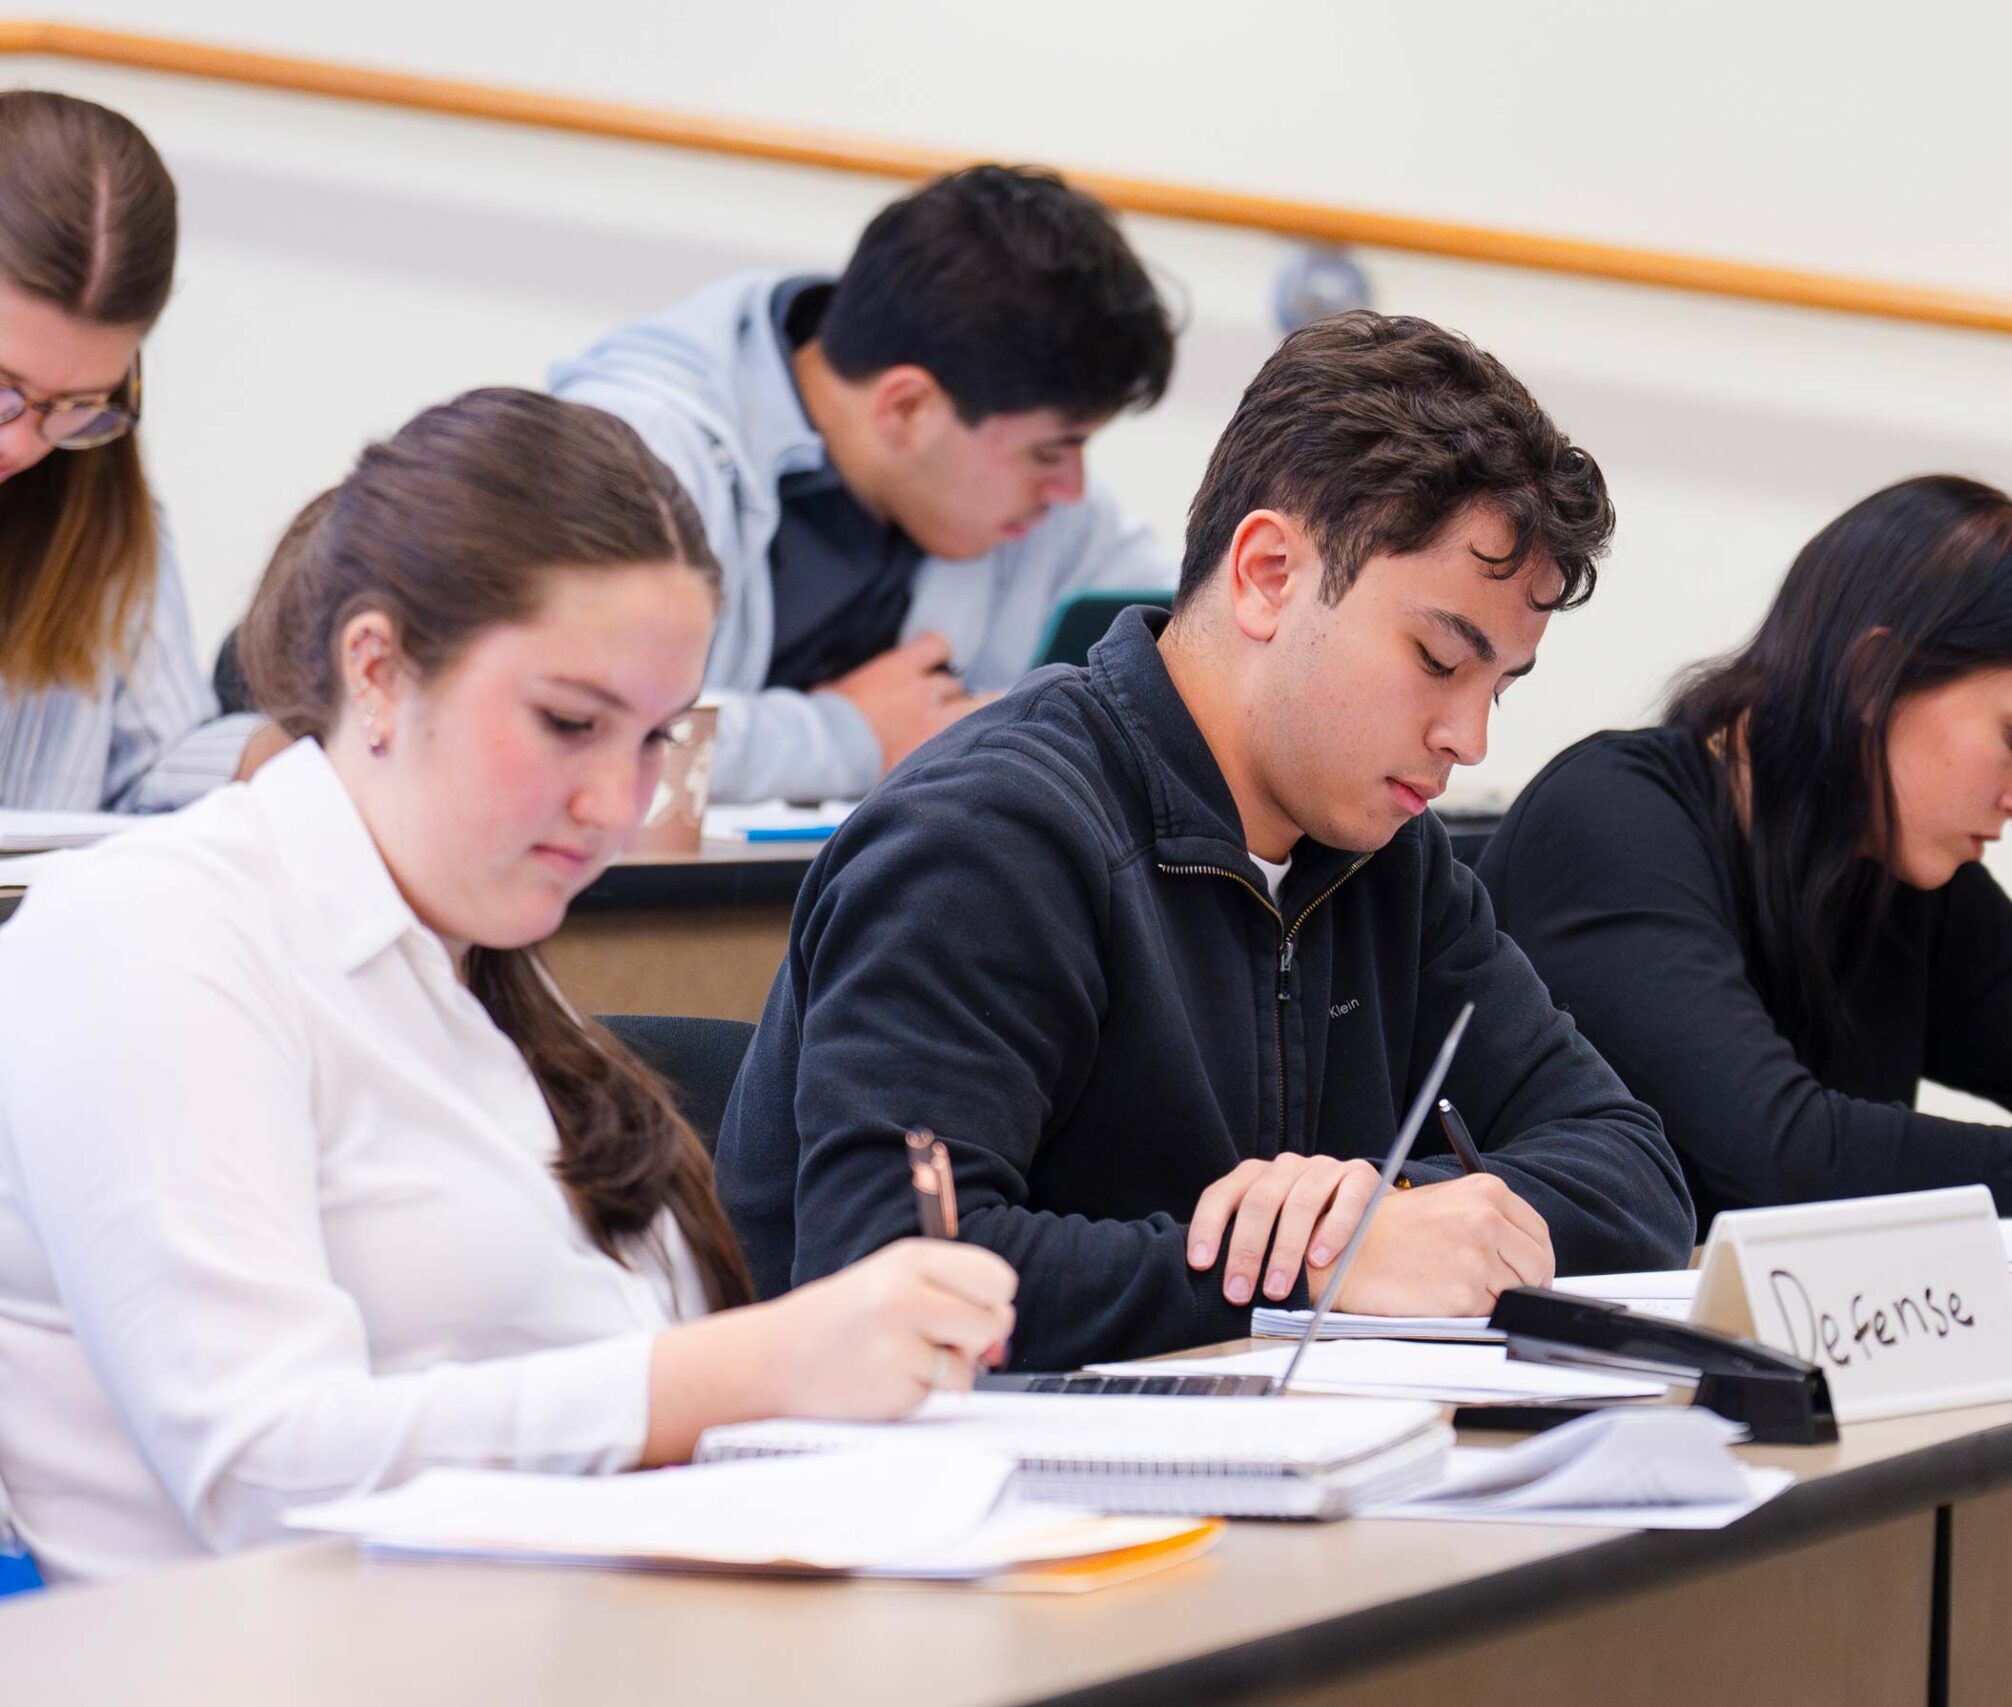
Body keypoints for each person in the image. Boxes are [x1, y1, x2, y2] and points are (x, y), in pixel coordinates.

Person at [0, 390, 1014, 1584]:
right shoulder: (155, 932)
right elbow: (260, 1469)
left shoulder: (475, 977)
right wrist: (747, 1370)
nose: (617, 806)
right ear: (374, 669)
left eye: (655, 742)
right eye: (568, 723)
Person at [719, 312, 1696, 1371]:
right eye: (1434, 658)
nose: (1467, 737)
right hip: (954, 1507)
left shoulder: (1387, 856)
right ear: (1269, 572)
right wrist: (1313, 1270)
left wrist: (1390, 1211)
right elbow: (883, 1267)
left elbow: (1636, 1178)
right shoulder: (988, 836)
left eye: (1498, 685)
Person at [1477, 475, 2012, 1220]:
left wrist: (1881, 1164)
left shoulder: (1899, 876)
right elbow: (1775, 1161)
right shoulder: (1611, 818)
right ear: (1875, 676)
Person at [548, 163, 1178, 804]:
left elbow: (1197, 641)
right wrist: (854, 737)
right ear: (907, 409)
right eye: (1050, 453)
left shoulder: (1020, 477)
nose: (1072, 488)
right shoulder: (639, 457)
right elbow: (582, 726)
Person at [0, 89, 285, 810]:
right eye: (2, 388)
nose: (23, 445)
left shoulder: (104, 522)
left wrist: (307, 761)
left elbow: (155, 775)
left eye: (77, 406)